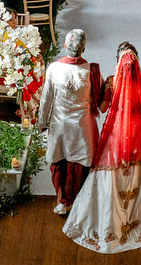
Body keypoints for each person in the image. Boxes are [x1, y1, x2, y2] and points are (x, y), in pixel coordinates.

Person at [63, 42, 141, 253]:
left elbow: (103, 109)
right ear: (137, 61)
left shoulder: (112, 82)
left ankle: (110, 217)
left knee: (111, 170)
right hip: (138, 135)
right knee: (140, 172)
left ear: (117, 61)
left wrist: (97, 90)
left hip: (116, 136)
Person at [39, 29, 103, 218]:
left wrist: (42, 122)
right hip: (82, 127)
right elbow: (99, 99)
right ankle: (76, 201)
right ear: (83, 48)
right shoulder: (91, 71)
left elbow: (46, 99)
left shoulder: (53, 68)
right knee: (78, 166)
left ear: (66, 46)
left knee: (59, 162)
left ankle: (61, 201)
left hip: (59, 125)